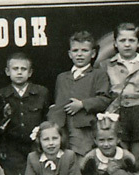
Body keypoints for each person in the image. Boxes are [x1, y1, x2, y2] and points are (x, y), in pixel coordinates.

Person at [103, 22, 139, 175]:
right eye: (122, 40)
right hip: (117, 115)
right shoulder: (107, 65)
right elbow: (105, 93)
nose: (127, 44)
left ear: (138, 43)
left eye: (131, 40)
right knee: (121, 161)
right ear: (115, 43)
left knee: (136, 163)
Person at [47, 30, 112, 158]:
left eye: (84, 50)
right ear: (70, 54)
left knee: (81, 159)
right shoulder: (62, 77)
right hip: (61, 127)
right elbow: (58, 100)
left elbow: (104, 99)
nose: (80, 54)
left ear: (93, 53)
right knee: (62, 159)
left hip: (84, 127)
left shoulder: (98, 74)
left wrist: (82, 104)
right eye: (75, 51)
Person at [0, 54, 49, 175]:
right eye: (15, 69)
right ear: (7, 71)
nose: (19, 72)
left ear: (30, 72)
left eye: (23, 69)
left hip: (35, 147)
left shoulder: (41, 93)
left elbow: (46, 120)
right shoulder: (1, 95)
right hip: (11, 148)